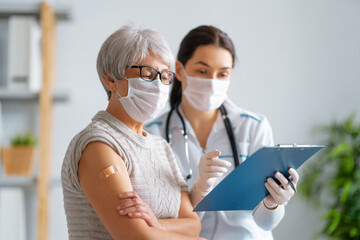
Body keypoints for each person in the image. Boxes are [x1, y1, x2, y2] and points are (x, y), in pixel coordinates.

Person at [144, 25, 299, 240]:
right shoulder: (152, 134)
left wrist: (272, 203)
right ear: (179, 70)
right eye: (202, 71)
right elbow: (158, 219)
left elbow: (265, 224)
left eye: (222, 73)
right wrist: (199, 188)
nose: (212, 81)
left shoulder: (253, 127)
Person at [61, 25, 203, 240]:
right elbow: (136, 237)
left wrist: (154, 225)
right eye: (147, 75)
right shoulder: (99, 145)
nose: (158, 85)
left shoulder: (161, 148)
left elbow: (194, 225)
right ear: (111, 79)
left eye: (165, 77)